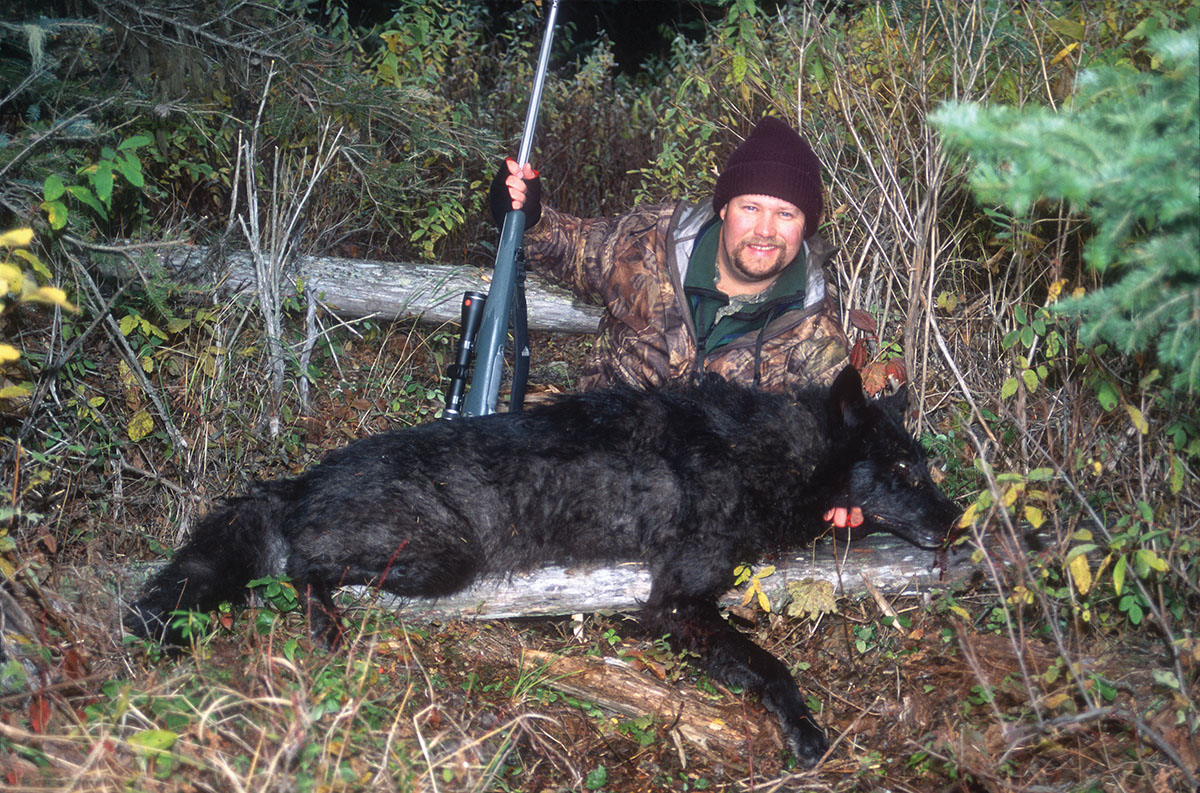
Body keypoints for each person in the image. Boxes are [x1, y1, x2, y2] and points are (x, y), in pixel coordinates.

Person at [490, 115, 849, 393]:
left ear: (806, 226)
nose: (766, 230)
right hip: (592, 465)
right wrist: (529, 215)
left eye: (786, 214)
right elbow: (571, 249)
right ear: (723, 208)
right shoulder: (649, 241)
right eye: (751, 208)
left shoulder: (815, 329)